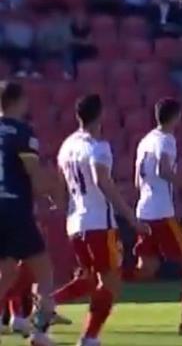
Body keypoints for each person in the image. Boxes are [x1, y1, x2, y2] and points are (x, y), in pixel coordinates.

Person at [52, 94, 149, 346]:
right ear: (101, 114)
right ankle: (89, 337)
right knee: (111, 283)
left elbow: (60, 187)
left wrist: (63, 211)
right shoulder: (98, 146)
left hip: (75, 223)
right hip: (99, 223)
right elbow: (102, 181)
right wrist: (130, 217)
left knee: (87, 280)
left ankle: (46, 306)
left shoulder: (67, 146)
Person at [125, 99, 182, 335]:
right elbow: (163, 170)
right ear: (176, 116)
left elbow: (137, 181)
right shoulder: (167, 140)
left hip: (145, 210)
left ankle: (99, 276)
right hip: (161, 214)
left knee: (146, 270)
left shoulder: (145, 140)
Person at [0, 81, 59, 346]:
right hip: (15, 208)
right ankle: (40, 333)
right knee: (44, 272)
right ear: (17, 101)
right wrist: (55, 191)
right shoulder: (23, 132)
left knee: (8, 272)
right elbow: (34, 176)